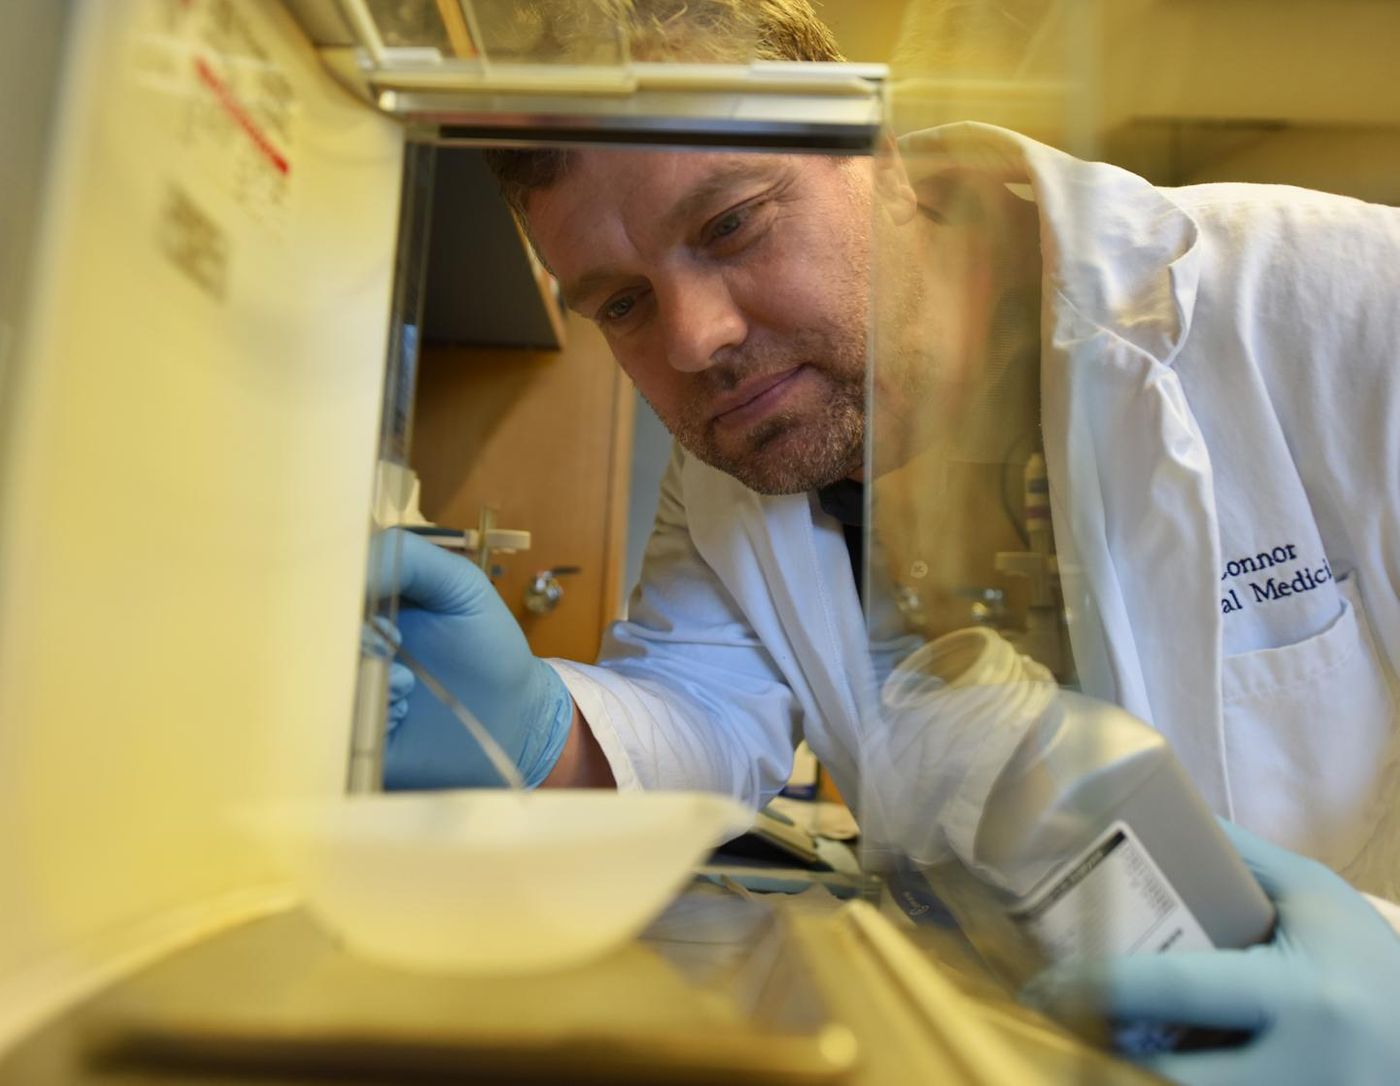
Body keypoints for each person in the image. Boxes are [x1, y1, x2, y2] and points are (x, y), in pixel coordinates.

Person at [375, 2, 1400, 1081]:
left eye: (731, 224)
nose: (693, 339)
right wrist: (525, 730)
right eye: (622, 304)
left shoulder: (1341, 303)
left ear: (876, 154)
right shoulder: (736, 466)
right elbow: (698, 718)